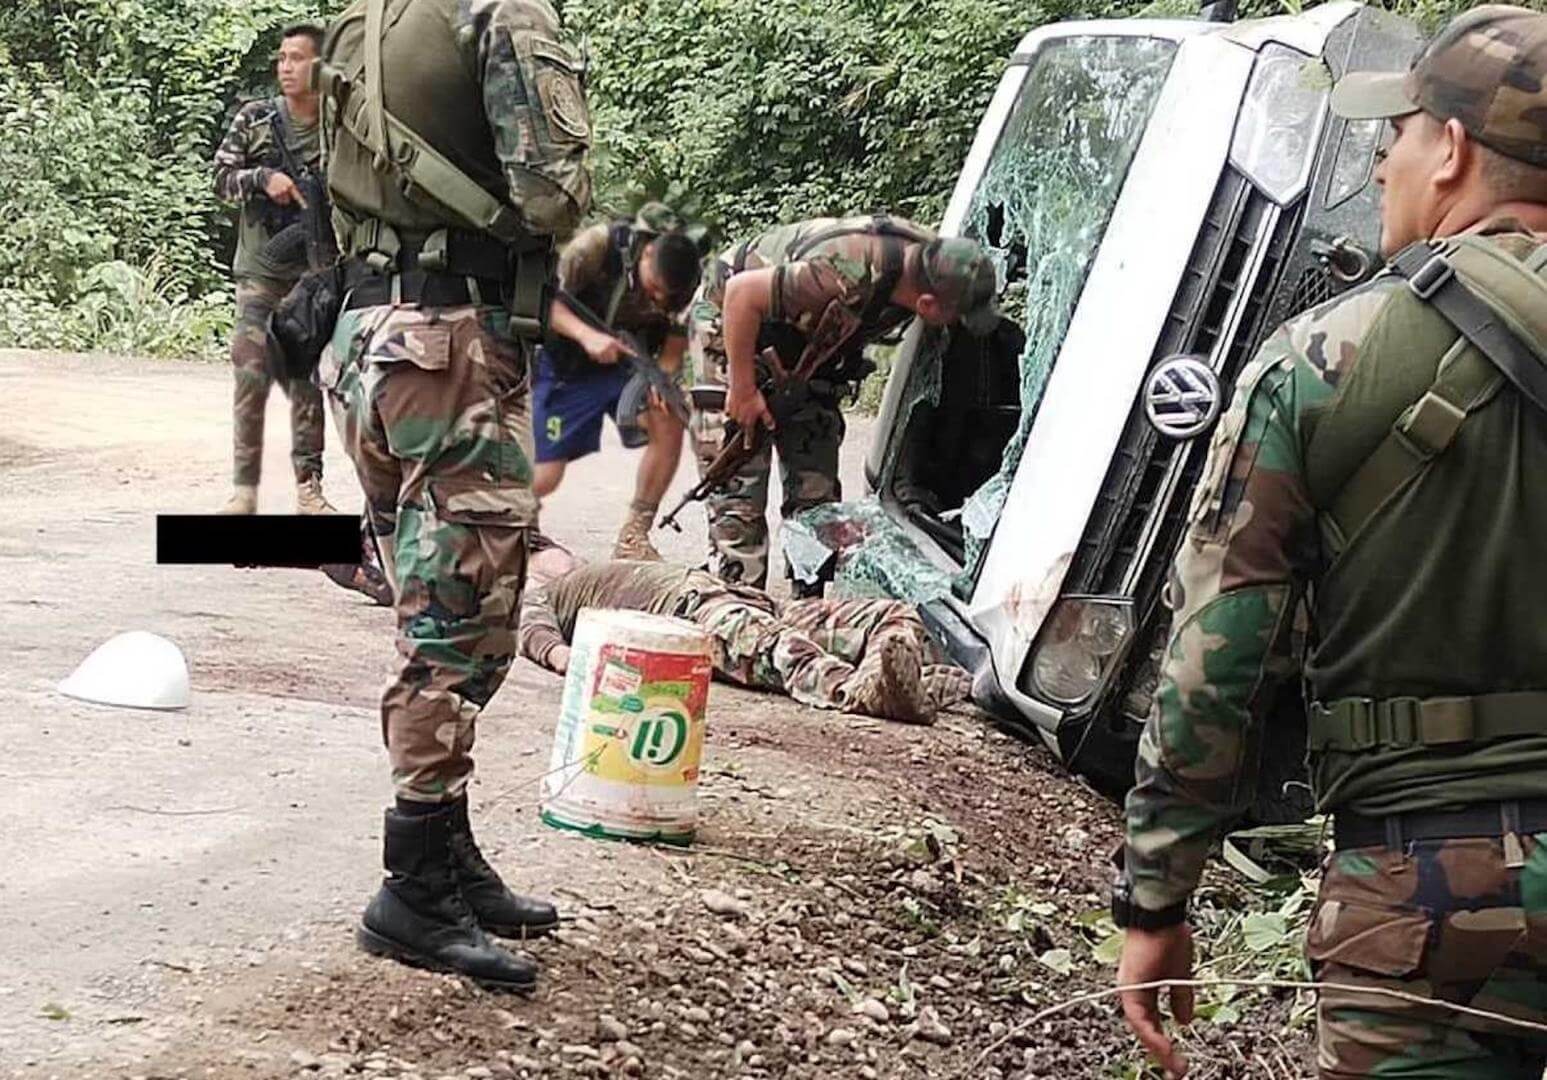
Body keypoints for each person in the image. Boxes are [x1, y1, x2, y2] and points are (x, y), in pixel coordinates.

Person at [1112, 8, 1547, 1077]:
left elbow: (1217, 658)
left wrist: (1155, 893)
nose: (1381, 157)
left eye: (1393, 131)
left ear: (1447, 149)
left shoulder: (1324, 357)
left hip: (1428, 892)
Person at [314, 0, 591, 992]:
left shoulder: (366, 16)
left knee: (469, 612)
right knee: (451, 625)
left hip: (369, 338)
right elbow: (553, 191)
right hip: (450, 351)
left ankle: (448, 852)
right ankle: (412, 891)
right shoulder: (504, 14)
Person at [689, 215, 998, 590]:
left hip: (808, 340)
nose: (956, 325)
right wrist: (742, 388)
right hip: (730, 316)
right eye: (956, 316)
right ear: (928, 305)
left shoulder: (937, 262)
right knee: (740, 477)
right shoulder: (845, 272)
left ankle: (811, 606)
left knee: (816, 493)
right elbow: (741, 294)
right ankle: (738, 601)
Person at [517, 547, 972, 723]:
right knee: (780, 649)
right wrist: (583, 661)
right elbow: (542, 642)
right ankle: (854, 691)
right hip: (694, 615)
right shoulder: (535, 594)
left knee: (888, 615)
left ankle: (904, 685)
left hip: (749, 600)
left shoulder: (580, 570)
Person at [212, 24, 336, 516]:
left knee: (306, 381)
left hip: (315, 273)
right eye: (281, 58)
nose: (286, 67)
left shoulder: (339, 124)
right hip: (261, 270)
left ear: (321, 67)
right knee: (250, 372)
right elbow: (220, 179)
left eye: (297, 58)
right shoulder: (256, 118)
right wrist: (263, 178)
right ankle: (243, 490)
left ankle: (309, 488)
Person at [537, 204, 703, 560]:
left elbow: (673, 348)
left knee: (668, 419)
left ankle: (633, 538)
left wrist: (664, 380)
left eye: (666, 296)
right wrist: (586, 336)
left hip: (625, 368)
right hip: (564, 366)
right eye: (655, 288)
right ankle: (515, 525)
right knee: (546, 475)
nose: (659, 299)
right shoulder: (595, 248)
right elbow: (541, 299)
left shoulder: (682, 281)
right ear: (646, 255)